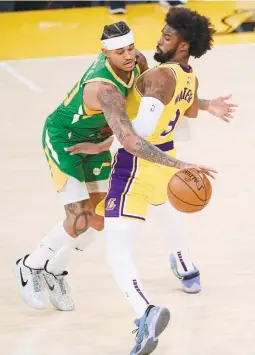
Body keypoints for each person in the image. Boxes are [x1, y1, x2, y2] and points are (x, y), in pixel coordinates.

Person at [14, 19, 234, 314]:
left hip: (101, 138)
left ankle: (55, 272)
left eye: (130, 48)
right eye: (120, 52)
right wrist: (181, 164)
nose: (129, 56)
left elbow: (159, 100)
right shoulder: (104, 89)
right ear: (105, 54)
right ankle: (30, 265)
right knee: (79, 217)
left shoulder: (140, 62)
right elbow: (131, 141)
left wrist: (206, 105)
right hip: (66, 139)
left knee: (99, 219)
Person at [67, 8, 235, 355]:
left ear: (184, 45)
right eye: (162, 32)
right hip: (163, 159)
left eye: (168, 36)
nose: (159, 39)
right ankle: (187, 266)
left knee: (117, 252)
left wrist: (104, 140)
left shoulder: (158, 76)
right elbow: (186, 110)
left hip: (137, 165)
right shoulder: (189, 76)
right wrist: (207, 105)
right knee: (166, 209)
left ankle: (145, 312)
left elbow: (137, 134)